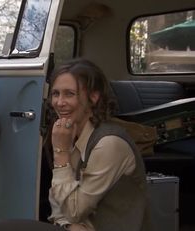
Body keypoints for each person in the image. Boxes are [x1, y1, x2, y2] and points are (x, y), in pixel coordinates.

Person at [46, 58, 152, 231]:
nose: (59, 102)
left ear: (93, 97)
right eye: (56, 94)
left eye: (69, 94)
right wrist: (67, 225)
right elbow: (57, 198)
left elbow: (74, 210)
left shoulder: (109, 143)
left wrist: (60, 154)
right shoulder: (70, 133)